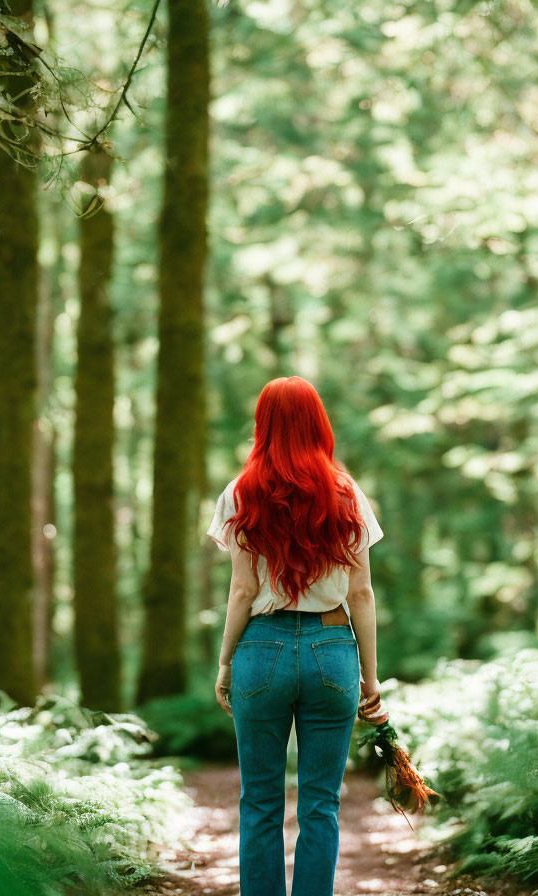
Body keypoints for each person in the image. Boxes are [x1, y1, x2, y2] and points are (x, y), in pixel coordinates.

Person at [207, 375, 390, 896]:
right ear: (318, 423)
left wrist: (225, 664)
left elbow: (242, 591)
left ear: (263, 425)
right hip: (332, 652)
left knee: (260, 803)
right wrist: (369, 680)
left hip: (260, 651)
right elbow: (361, 595)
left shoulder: (241, 493)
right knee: (320, 805)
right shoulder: (346, 493)